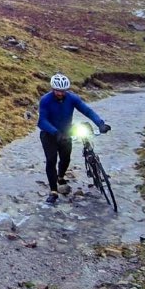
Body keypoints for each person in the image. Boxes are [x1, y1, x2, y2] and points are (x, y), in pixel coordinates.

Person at [37, 73, 111, 204]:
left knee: (66, 158)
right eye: (57, 91)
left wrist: (100, 123)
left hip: (66, 133)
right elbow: (41, 121)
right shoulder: (46, 100)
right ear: (52, 89)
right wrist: (55, 132)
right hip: (49, 134)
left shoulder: (72, 98)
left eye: (63, 91)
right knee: (51, 160)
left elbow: (87, 110)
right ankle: (53, 191)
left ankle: (60, 176)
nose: (60, 93)